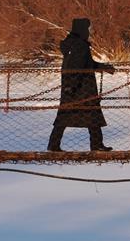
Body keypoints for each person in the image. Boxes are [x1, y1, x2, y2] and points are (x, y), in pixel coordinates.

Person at [48, 18, 115, 152]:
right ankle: (96, 145)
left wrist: (103, 67)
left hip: (76, 87)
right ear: (82, 29)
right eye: (88, 28)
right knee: (91, 115)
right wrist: (71, 86)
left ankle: (54, 145)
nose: (89, 31)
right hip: (81, 88)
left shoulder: (75, 44)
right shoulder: (80, 45)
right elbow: (75, 66)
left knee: (67, 116)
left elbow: (86, 64)